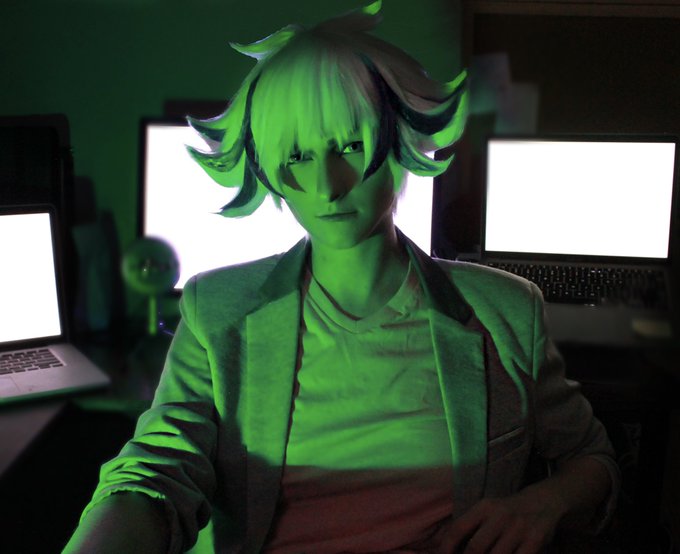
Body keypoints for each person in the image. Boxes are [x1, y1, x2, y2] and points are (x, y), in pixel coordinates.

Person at [64, 2, 619, 553]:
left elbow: (592, 459)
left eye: (350, 146)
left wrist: (542, 503)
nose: (327, 188)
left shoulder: (507, 310)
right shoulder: (215, 310)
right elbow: (157, 470)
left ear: (400, 137)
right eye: (296, 157)